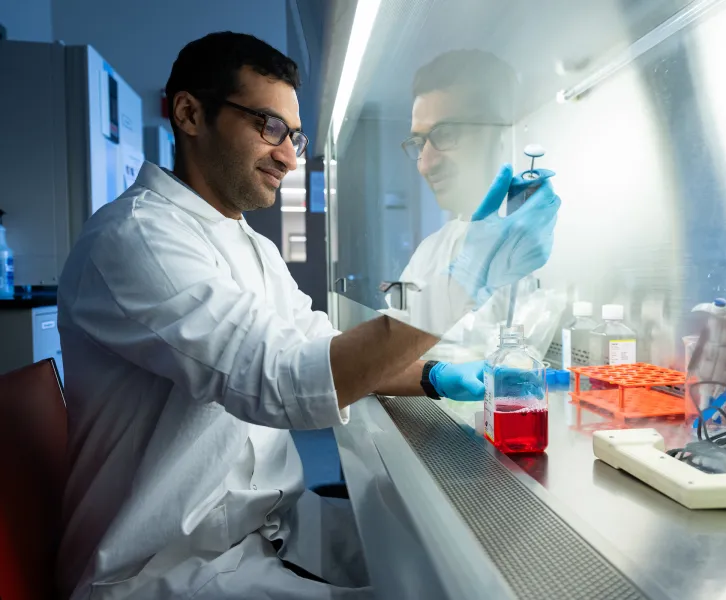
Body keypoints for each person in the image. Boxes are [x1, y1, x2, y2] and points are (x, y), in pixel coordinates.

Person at [55, 33, 558, 600]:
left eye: (294, 135)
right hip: (165, 569)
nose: (290, 156)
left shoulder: (248, 246)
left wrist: (431, 377)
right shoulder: (138, 240)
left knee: (443, 562)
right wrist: (464, 281)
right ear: (190, 114)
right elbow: (284, 383)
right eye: (269, 127)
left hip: (269, 530)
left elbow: (318, 346)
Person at [398, 51, 551, 355]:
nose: (425, 164)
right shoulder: (430, 252)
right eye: (420, 142)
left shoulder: (542, 243)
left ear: (501, 134)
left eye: (447, 134)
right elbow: (389, 354)